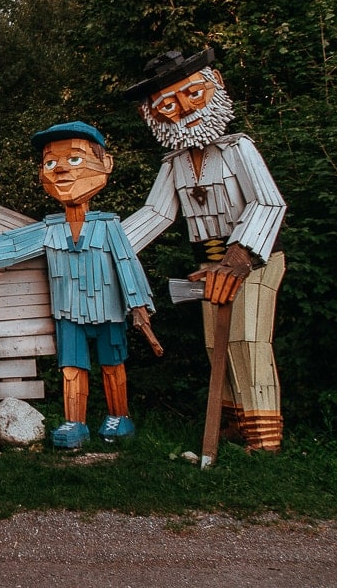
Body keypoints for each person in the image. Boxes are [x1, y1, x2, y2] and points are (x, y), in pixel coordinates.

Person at [0, 122, 157, 449]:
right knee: (71, 368)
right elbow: (14, 245)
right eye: (51, 163)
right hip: (68, 313)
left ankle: (119, 417)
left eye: (74, 160)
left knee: (112, 363)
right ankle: (74, 423)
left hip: (109, 312)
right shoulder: (49, 228)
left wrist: (138, 306)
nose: (61, 168)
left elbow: (127, 264)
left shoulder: (109, 225)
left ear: (105, 165)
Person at [121, 47, 287, 452]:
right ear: (150, 114)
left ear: (215, 86)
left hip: (252, 260)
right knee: (218, 345)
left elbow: (268, 202)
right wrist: (104, 247)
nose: (181, 110)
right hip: (208, 266)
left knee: (248, 341)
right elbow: (155, 215)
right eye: (166, 105)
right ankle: (233, 423)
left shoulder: (237, 148)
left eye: (192, 95)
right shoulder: (174, 163)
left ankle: (264, 436)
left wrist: (238, 259)